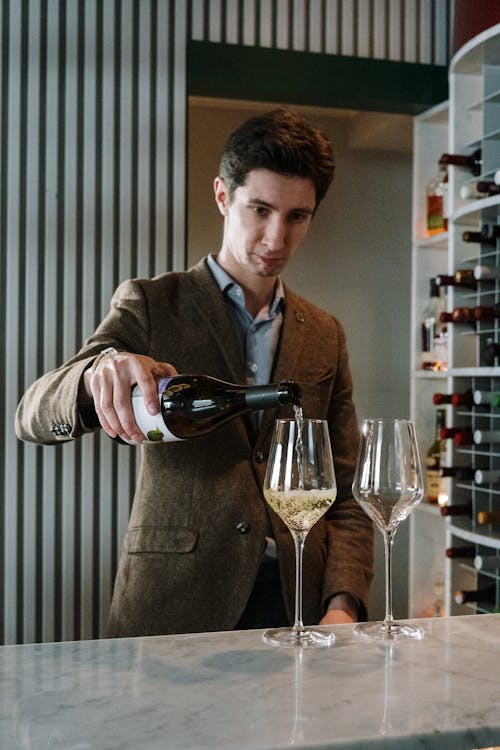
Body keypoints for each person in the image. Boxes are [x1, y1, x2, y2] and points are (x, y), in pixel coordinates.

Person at [15, 108, 373, 637]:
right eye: (260, 209)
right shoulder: (153, 303)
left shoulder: (326, 333)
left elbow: (345, 489)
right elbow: (32, 415)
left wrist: (343, 603)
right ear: (223, 196)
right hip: (176, 600)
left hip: (299, 602)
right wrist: (99, 373)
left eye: (297, 216)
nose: (277, 237)